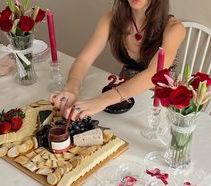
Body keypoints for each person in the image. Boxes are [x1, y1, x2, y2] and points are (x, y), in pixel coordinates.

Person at [49, 0, 186, 120]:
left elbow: (153, 74)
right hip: (123, 95)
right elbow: (84, 59)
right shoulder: (111, 18)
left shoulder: (174, 28)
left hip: (159, 100)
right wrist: (72, 87)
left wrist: (102, 100)